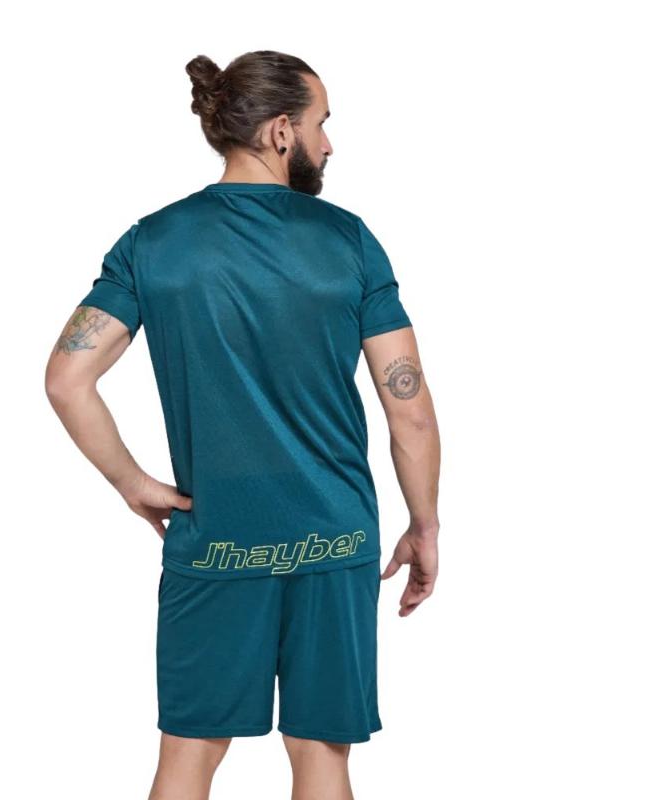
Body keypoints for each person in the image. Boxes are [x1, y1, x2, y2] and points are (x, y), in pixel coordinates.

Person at [45, 49, 441, 800]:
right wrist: (424, 526)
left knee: (188, 756)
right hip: (335, 542)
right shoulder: (348, 240)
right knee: (322, 756)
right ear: (282, 131)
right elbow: (410, 410)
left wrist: (131, 483)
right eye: (322, 123)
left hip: (215, 538)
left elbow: (67, 379)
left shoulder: (152, 242)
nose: (329, 143)